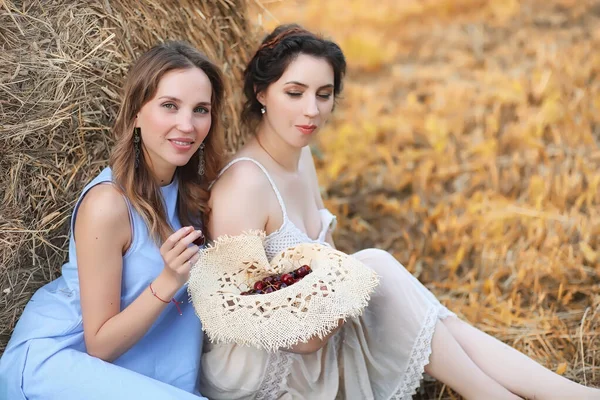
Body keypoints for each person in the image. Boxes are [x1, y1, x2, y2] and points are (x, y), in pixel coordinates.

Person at [202, 24, 600, 400]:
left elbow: (332, 271)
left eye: (324, 95)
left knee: (440, 323)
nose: (312, 110)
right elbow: (259, 326)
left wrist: (358, 285)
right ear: (260, 93)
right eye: (295, 92)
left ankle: (576, 395)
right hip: (266, 370)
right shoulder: (245, 186)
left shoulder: (301, 158)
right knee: (379, 269)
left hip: (322, 331)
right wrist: (364, 282)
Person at [0, 40, 225, 400]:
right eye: (169, 106)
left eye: (201, 109)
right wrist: (169, 280)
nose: (187, 124)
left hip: (145, 361)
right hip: (64, 359)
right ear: (136, 112)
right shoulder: (108, 205)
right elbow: (99, 344)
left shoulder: (192, 192)